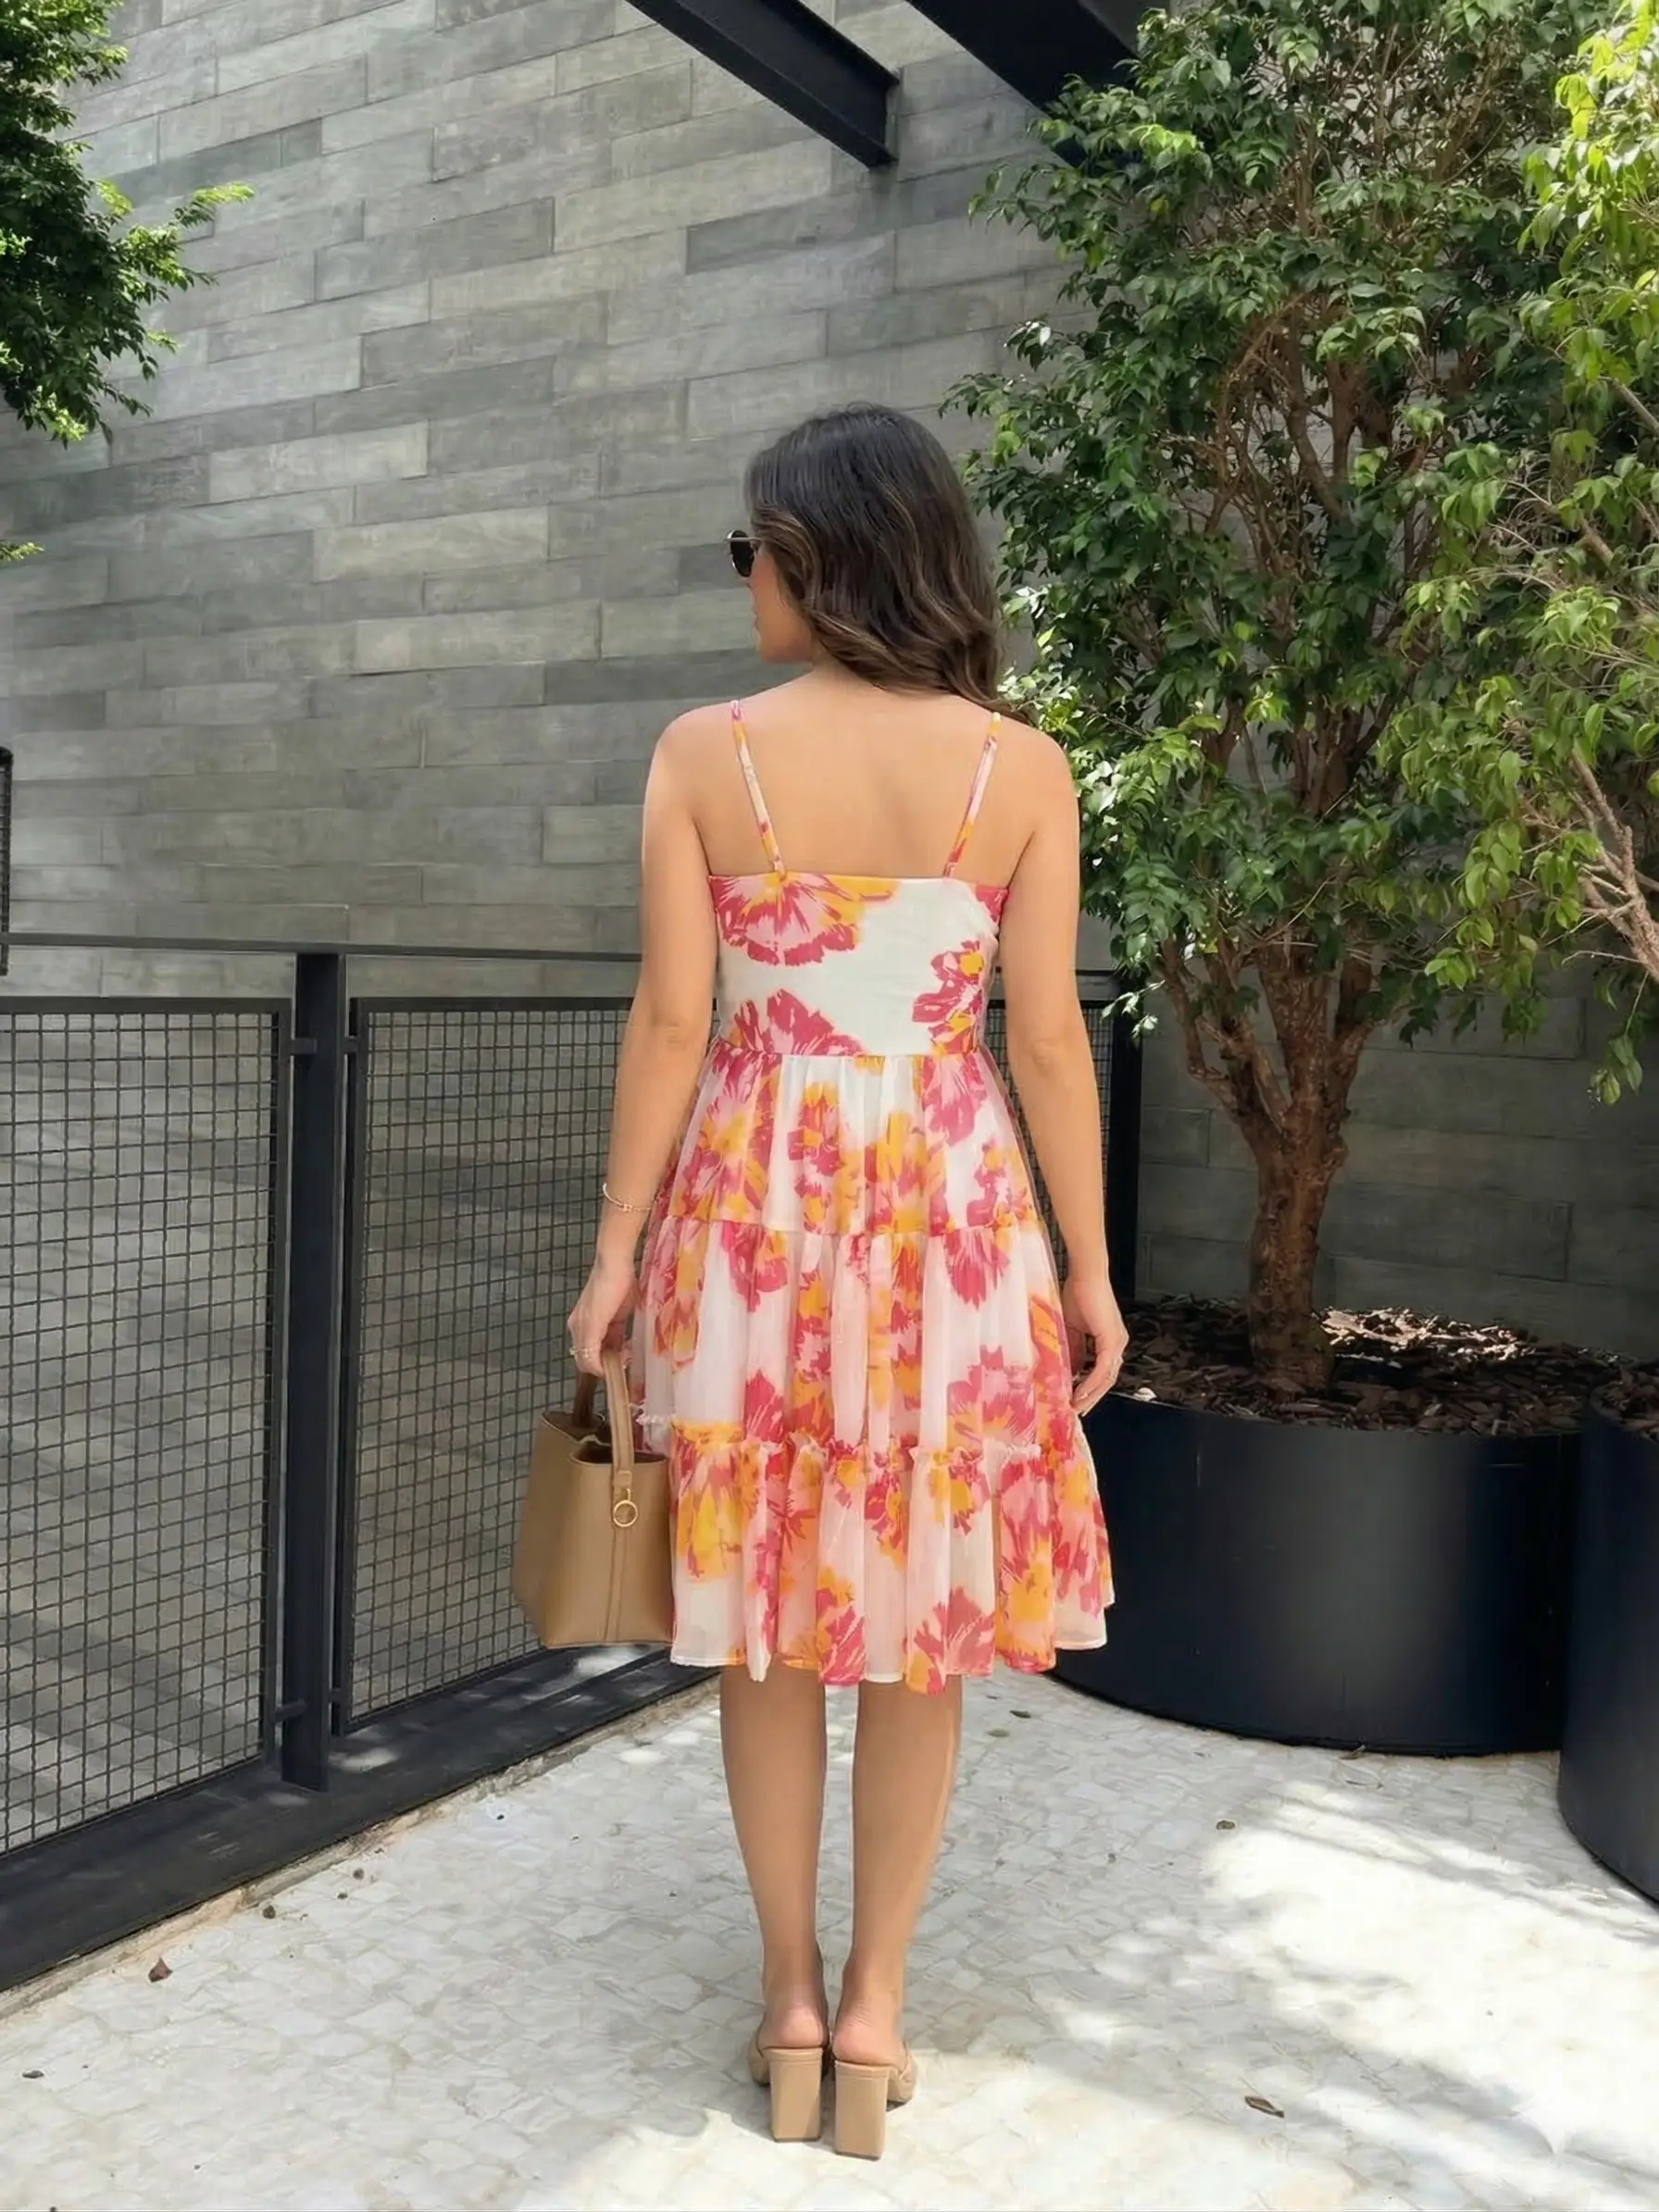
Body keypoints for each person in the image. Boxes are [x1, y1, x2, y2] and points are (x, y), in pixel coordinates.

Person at [568, 401, 1124, 2160]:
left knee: (762, 1617)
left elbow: (674, 1020)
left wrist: (614, 1250)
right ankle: (877, 2008)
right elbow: (1048, 1039)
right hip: (950, 1221)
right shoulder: (1017, 770)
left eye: (756, 548)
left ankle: (790, 1996)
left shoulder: (703, 755)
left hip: (751, 1215)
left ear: (822, 555)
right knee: (916, 1625)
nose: (746, 577)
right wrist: (1091, 1266)